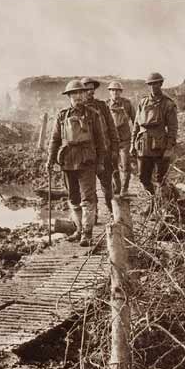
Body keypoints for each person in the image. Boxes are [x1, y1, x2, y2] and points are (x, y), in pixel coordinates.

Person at [47, 79, 105, 247]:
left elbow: (101, 141)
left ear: (84, 94)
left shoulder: (93, 115)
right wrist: (50, 159)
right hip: (67, 161)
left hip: (87, 160)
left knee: (87, 198)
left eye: (80, 93)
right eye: (73, 94)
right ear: (69, 97)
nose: (77, 97)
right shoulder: (62, 115)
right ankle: (79, 230)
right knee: (73, 198)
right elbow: (55, 139)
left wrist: (100, 162)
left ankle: (87, 234)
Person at [130, 72, 178, 198]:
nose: (152, 87)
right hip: (143, 146)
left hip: (159, 146)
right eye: (150, 84)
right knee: (143, 177)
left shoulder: (168, 104)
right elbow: (136, 125)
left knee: (160, 179)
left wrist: (169, 148)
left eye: (155, 84)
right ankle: (151, 202)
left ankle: (165, 204)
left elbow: (173, 128)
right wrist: (132, 144)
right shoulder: (143, 102)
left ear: (161, 84)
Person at [81, 77, 120, 215]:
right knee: (89, 189)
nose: (90, 92)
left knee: (107, 186)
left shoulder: (102, 106)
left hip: (105, 152)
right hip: (88, 155)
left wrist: (115, 149)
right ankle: (94, 215)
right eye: (87, 89)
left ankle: (111, 212)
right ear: (82, 91)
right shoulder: (79, 109)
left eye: (92, 89)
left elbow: (112, 128)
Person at [106, 81, 136, 196]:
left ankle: (124, 189)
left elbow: (135, 120)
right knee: (113, 165)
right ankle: (117, 187)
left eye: (117, 90)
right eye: (112, 90)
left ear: (121, 92)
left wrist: (134, 137)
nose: (115, 93)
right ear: (110, 92)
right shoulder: (106, 105)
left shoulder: (127, 104)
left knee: (125, 164)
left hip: (125, 140)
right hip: (111, 141)